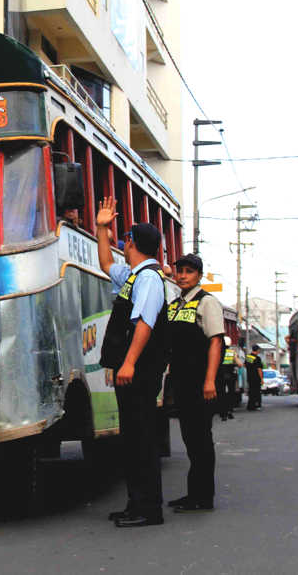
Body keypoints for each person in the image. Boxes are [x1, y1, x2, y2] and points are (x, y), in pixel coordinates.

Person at [95, 196, 167, 528]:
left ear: (133, 244)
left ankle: (148, 509)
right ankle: (134, 503)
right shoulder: (134, 275)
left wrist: (129, 363)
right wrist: (100, 229)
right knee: (132, 440)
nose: (122, 244)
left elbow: (144, 323)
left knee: (142, 440)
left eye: (125, 239)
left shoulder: (150, 278)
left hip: (139, 371)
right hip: (131, 372)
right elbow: (106, 264)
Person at [165, 253, 225, 512]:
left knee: (201, 439)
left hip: (201, 381)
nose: (182, 275)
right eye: (180, 271)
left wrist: (210, 380)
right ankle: (194, 494)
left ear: (199, 276)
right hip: (181, 381)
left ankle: (204, 496)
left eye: (189, 271)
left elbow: (216, 341)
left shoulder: (207, 302)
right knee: (190, 438)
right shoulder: (176, 304)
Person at [217, 342, 237, 421]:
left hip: (220, 376)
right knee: (231, 393)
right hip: (230, 376)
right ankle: (229, 410)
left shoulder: (216, 352)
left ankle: (222, 413)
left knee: (221, 394)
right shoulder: (230, 353)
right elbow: (239, 364)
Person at [246, 344, 264, 410]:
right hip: (256, 377)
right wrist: (261, 379)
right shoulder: (257, 358)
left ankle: (250, 405)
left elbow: (246, 366)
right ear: (258, 350)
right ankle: (257, 405)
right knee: (257, 392)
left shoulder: (249, 357)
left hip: (250, 377)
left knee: (251, 391)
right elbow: (259, 369)